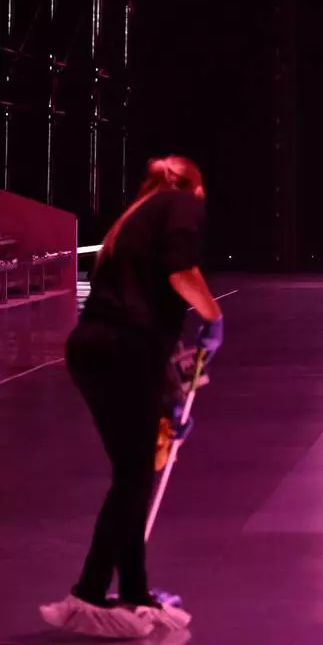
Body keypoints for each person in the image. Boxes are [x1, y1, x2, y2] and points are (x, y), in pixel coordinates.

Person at [40, 156, 223, 638]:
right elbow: (180, 270)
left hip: (98, 350)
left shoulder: (134, 218)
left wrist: (168, 400)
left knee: (133, 475)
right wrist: (213, 316)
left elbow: (148, 310)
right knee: (133, 478)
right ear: (195, 187)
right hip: (123, 352)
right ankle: (94, 592)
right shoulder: (181, 203)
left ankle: (127, 591)